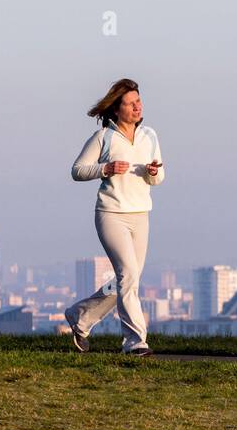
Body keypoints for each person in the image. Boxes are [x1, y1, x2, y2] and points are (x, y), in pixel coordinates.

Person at [64, 77, 164, 355]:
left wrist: (153, 173)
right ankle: (135, 342)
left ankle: (81, 317)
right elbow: (77, 170)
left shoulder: (150, 136)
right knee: (128, 275)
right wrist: (105, 169)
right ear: (116, 109)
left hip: (141, 214)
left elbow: (159, 177)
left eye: (138, 101)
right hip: (111, 214)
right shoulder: (103, 137)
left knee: (127, 279)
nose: (137, 107)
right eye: (130, 103)